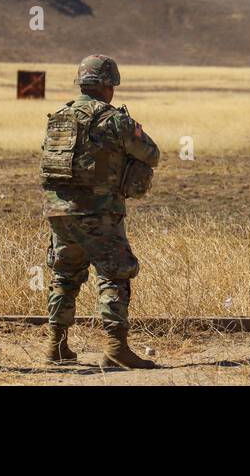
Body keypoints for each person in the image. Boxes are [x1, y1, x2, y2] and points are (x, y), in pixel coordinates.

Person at [41, 54, 161, 367]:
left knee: (64, 275)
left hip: (59, 213)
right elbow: (151, 152)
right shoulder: (114, 120)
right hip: (99, 212)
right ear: (107, 86)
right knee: (114, 273)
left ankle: (56, 345)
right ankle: (116, 349)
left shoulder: (59, 116)